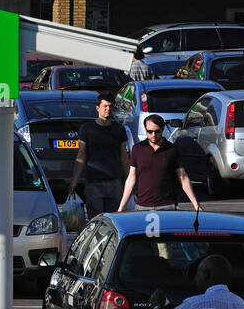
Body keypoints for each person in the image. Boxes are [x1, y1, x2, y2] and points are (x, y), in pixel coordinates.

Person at [117, 114, 200, 212]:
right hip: (143, 206)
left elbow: (183, 177)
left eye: (157, 131)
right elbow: (131, 179)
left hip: (167, 205)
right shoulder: (137, 149)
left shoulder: (172, 149)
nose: (153, 135)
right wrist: (122, 206)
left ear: (163, 129)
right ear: (145, 129)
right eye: (149, 131)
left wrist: (196, 205)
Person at [67, 91, 129, 222]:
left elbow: (124, 156)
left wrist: (129, 181)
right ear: (97, 108)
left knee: (114, 222)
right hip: (94, 182)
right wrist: (74, 182)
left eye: (110, 106)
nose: (108, 109)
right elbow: (81, 155)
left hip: (114, 182)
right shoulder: (87, 129)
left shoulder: (118, 129)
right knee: (96, 222)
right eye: (105, 106)